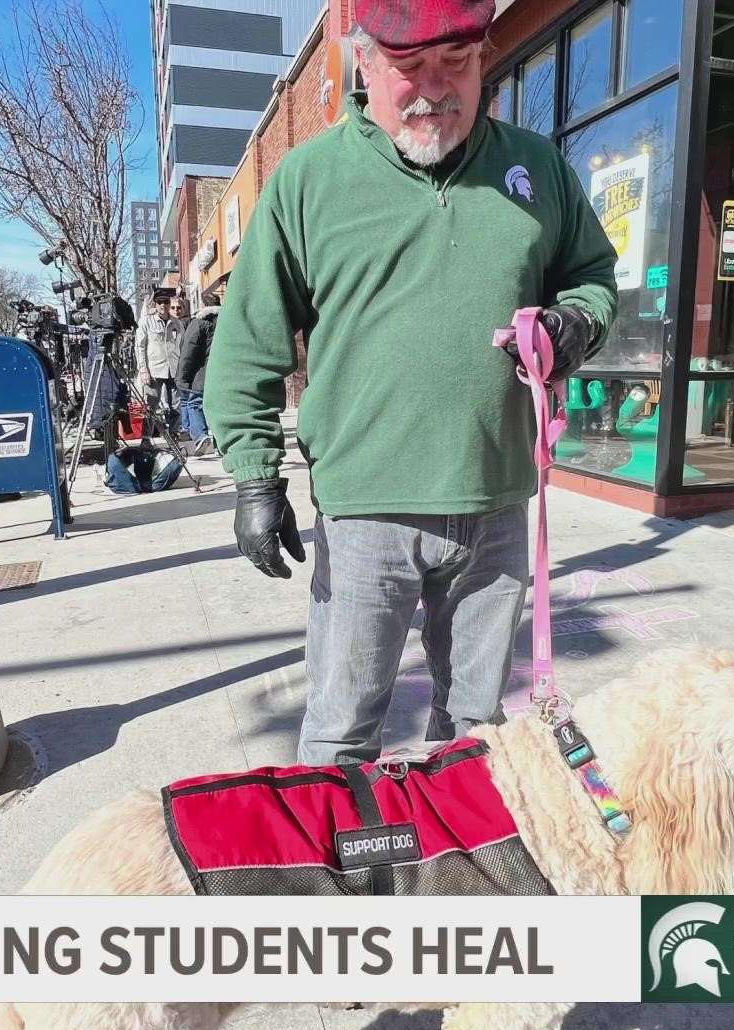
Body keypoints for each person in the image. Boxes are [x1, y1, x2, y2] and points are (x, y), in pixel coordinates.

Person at [204, 0, 618, 766]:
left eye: (456, 62)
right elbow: (249, 337)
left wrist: (575, 326)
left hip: (496, 501)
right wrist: (254, 478)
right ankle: (334, 880)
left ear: (484, 53)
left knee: (477, 733)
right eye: (408, 67)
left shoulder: (537, 168)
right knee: (341, 730)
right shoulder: (309, 180)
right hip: (368, 508)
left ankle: (459, 871)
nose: (436, 88)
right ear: (361, 59)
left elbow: (592, 276)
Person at [176, 275, 227, 453]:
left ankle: (201, 435)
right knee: (221, 406)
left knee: (195, 402)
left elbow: (188, 350)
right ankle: (222, 444)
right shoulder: (228, 320)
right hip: (225, 371)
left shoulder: (199, 322)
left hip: (202, 372)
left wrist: (182, 377)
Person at [137, 291, 181, 434]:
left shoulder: (176, 323)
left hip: (174, 370)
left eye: (166, 302)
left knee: (175, 405)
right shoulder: (146, 321)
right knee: (151, 405)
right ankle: (146, 438)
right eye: (160, 302)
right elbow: (140, 346)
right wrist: (143, 369)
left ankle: (173, 435)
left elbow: (182, 344)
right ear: (155, 305)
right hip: (154, 370)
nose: (163, 305)